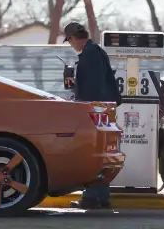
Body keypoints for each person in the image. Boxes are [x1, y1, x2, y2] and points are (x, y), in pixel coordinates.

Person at [62, 21, 121, 209]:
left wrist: (82, 105)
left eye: (70, 41)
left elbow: (93, 88)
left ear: (73, 38)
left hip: (97, 111)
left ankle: (91, 197)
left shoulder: (90, 54)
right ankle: (101, 197)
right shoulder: (94, 51)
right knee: (101, 154)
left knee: (92, 153)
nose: (71, 46)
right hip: (102, 110)